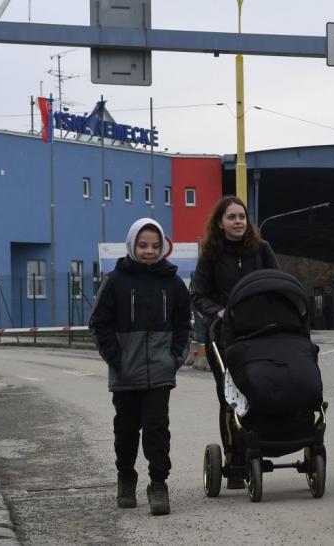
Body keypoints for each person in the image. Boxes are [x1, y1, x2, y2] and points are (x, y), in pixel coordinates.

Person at [90, 218, 191, 515]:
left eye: (155, 246)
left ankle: (158, 484)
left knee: (157, 429)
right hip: (125, 374)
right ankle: (126, 477)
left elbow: (184, 324)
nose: (149, 251)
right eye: (143, 245)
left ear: (163, 248)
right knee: (126, 430)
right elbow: (98, 324)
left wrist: (175, 357)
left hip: (160, 373)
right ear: (132, 244)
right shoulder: (115, 280)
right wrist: (116, 359)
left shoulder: (172, 283)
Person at [190, 195, 279, 490]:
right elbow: (198, 294)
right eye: (231, 217)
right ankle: (235, 460)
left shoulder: (261, 249)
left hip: (261, 331)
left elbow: (276, 282)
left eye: (241, 216)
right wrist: (218, 311)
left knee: (263, 389)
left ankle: (263, 442)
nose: (238, 221)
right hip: (225, 334)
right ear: (220, 222)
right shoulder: (211, 256)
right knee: (231, 396)